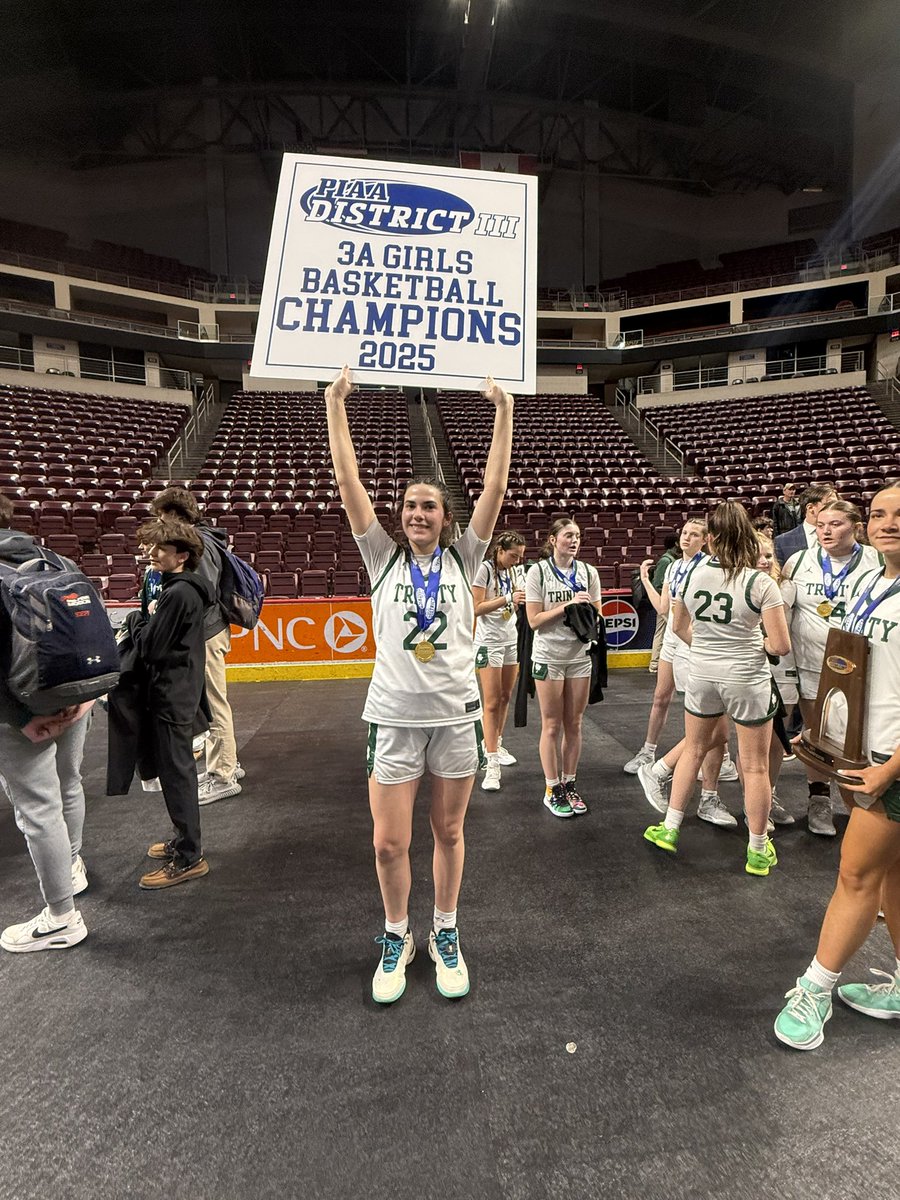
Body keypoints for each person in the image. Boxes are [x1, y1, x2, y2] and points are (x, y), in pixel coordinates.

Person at [326, 365, 513, 1005]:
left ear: (446, 515)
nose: (417, 513)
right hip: (393, 717)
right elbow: (348, 481)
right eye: (408, 505)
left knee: (451, 833)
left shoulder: (467, 558)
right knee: (388, 842)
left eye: (429, 505)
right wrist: (336, 404)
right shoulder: (381, 558)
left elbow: (495, 484)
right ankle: (396, 934)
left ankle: (446, 930)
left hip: (457, 717)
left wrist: (503, 410)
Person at [774, 480, 900, 1050]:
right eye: (879, 513)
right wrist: (827, 736)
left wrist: (890, 768)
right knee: (891, 874)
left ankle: (815, 987)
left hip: (890, 763)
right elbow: (849, 665)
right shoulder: (873, 580)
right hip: (861, 750)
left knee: (854, 875)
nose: (887, 522)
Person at [642, 501, 791, 875]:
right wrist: (750, 647)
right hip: (746, 677)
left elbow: (677, 627)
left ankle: (670, 827)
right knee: (754, 766)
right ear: (747, 537)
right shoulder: (760, 582)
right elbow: (780, 645)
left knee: (693, 749)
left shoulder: (689, 575)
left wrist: (709, 647)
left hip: (702, 672)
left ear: (709, 539)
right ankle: (757, 849)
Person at [0, 494, 93, 952]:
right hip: (74, 695)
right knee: (68, 781)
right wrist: (88, 696)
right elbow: (89, 631)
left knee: (36, 809)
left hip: (22, 708)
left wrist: (19, 719)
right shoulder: (54, 557)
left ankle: (61, 917)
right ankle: (72, 866)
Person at [123, 518, 213, 889]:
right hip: (178, 691)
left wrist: (134, 622)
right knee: (177, 773)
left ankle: (189, 856)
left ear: (183, 555)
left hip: (172, 695)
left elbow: (150, 647)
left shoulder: (177, 594)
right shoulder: (183, 589)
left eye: (161, 549)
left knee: (177, 776)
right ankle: (184, 840)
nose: (152, 554)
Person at [781, 498, 880, 836]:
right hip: (812, 666)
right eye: (821, 524)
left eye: (835, 524)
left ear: (856, 526)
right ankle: (819, 800)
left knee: (859, 740)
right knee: (818, 738)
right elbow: (785, 614)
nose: (826, 530)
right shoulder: (798, 562)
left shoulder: (876, 561)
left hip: (865, 668)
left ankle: (862, 801)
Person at [626, 517, 738, 791]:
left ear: (705, 540)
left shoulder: (708, 567)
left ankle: (722, 759)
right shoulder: (675, 566)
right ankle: (648, 750)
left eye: (694, 534)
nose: (687, 538)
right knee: (660, 696)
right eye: (685, 533)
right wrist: (645, 580)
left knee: (702, 706)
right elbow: (664, 608)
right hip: (672, 638)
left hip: (693, 639)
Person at [148, 487, 243, 805]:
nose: (160, 526)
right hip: (209, 630)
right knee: (214, 701)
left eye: (162, 518)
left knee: (213, 704)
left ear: (175, 515)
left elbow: (201, 592)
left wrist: (166, 605)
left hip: (205, 632)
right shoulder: (206, 538)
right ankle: (227, 762)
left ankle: (222, 775)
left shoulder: (197, 542)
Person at [524, 517, 602, 818]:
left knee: (575, 723)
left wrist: (588, 611)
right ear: (553, 539)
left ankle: (570, 783)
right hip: (548, 656)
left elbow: (597, 614)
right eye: (568, 535)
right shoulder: (538, 572)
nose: (574, 540)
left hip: (579, 656)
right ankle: (551, 787)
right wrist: (566, 606)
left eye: (578, 536)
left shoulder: (589, 572)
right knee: (552, 724)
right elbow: (533, 621)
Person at [472, 531, 526, 792]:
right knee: (491, 702)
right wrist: (507, 599)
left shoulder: (515, 572)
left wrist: (514, 604)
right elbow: (477, 607)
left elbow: (513, 607)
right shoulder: (484, 569)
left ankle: (495, 743)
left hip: (510, 639)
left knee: (505, 697)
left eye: (520, 557)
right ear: (500, 551)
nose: (517, 561)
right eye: (513, 556)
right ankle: (490, 763)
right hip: (488, 642)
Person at [774, 482, 837, 567]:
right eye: (830, 504)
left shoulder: (845, 535)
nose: (837, 509)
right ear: (811, 508)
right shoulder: (782, 542)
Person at [648, 533, 679, 674]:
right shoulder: (666, 561)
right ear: (676, 544)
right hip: (665, 603)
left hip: (671, 603)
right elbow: (657, 584)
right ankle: (654, 663)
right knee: (661, 632)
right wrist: (665, 598)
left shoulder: (673, 560)